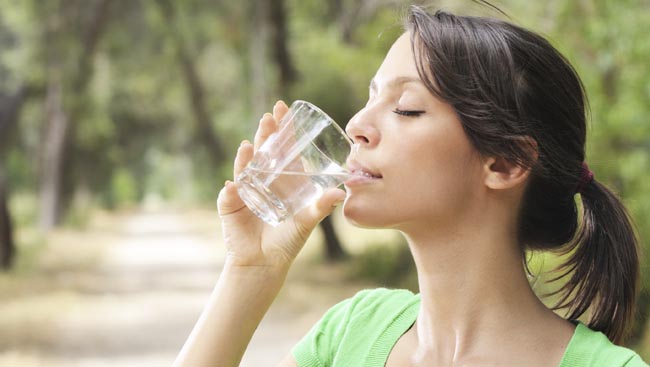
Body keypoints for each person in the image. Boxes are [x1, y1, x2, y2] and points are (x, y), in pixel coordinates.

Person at [174, 5, 647, 367]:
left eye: (406, 108)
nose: (356, 125)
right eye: (370, 97)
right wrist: (250, 271)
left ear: (504, 163)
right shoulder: (352, 333)